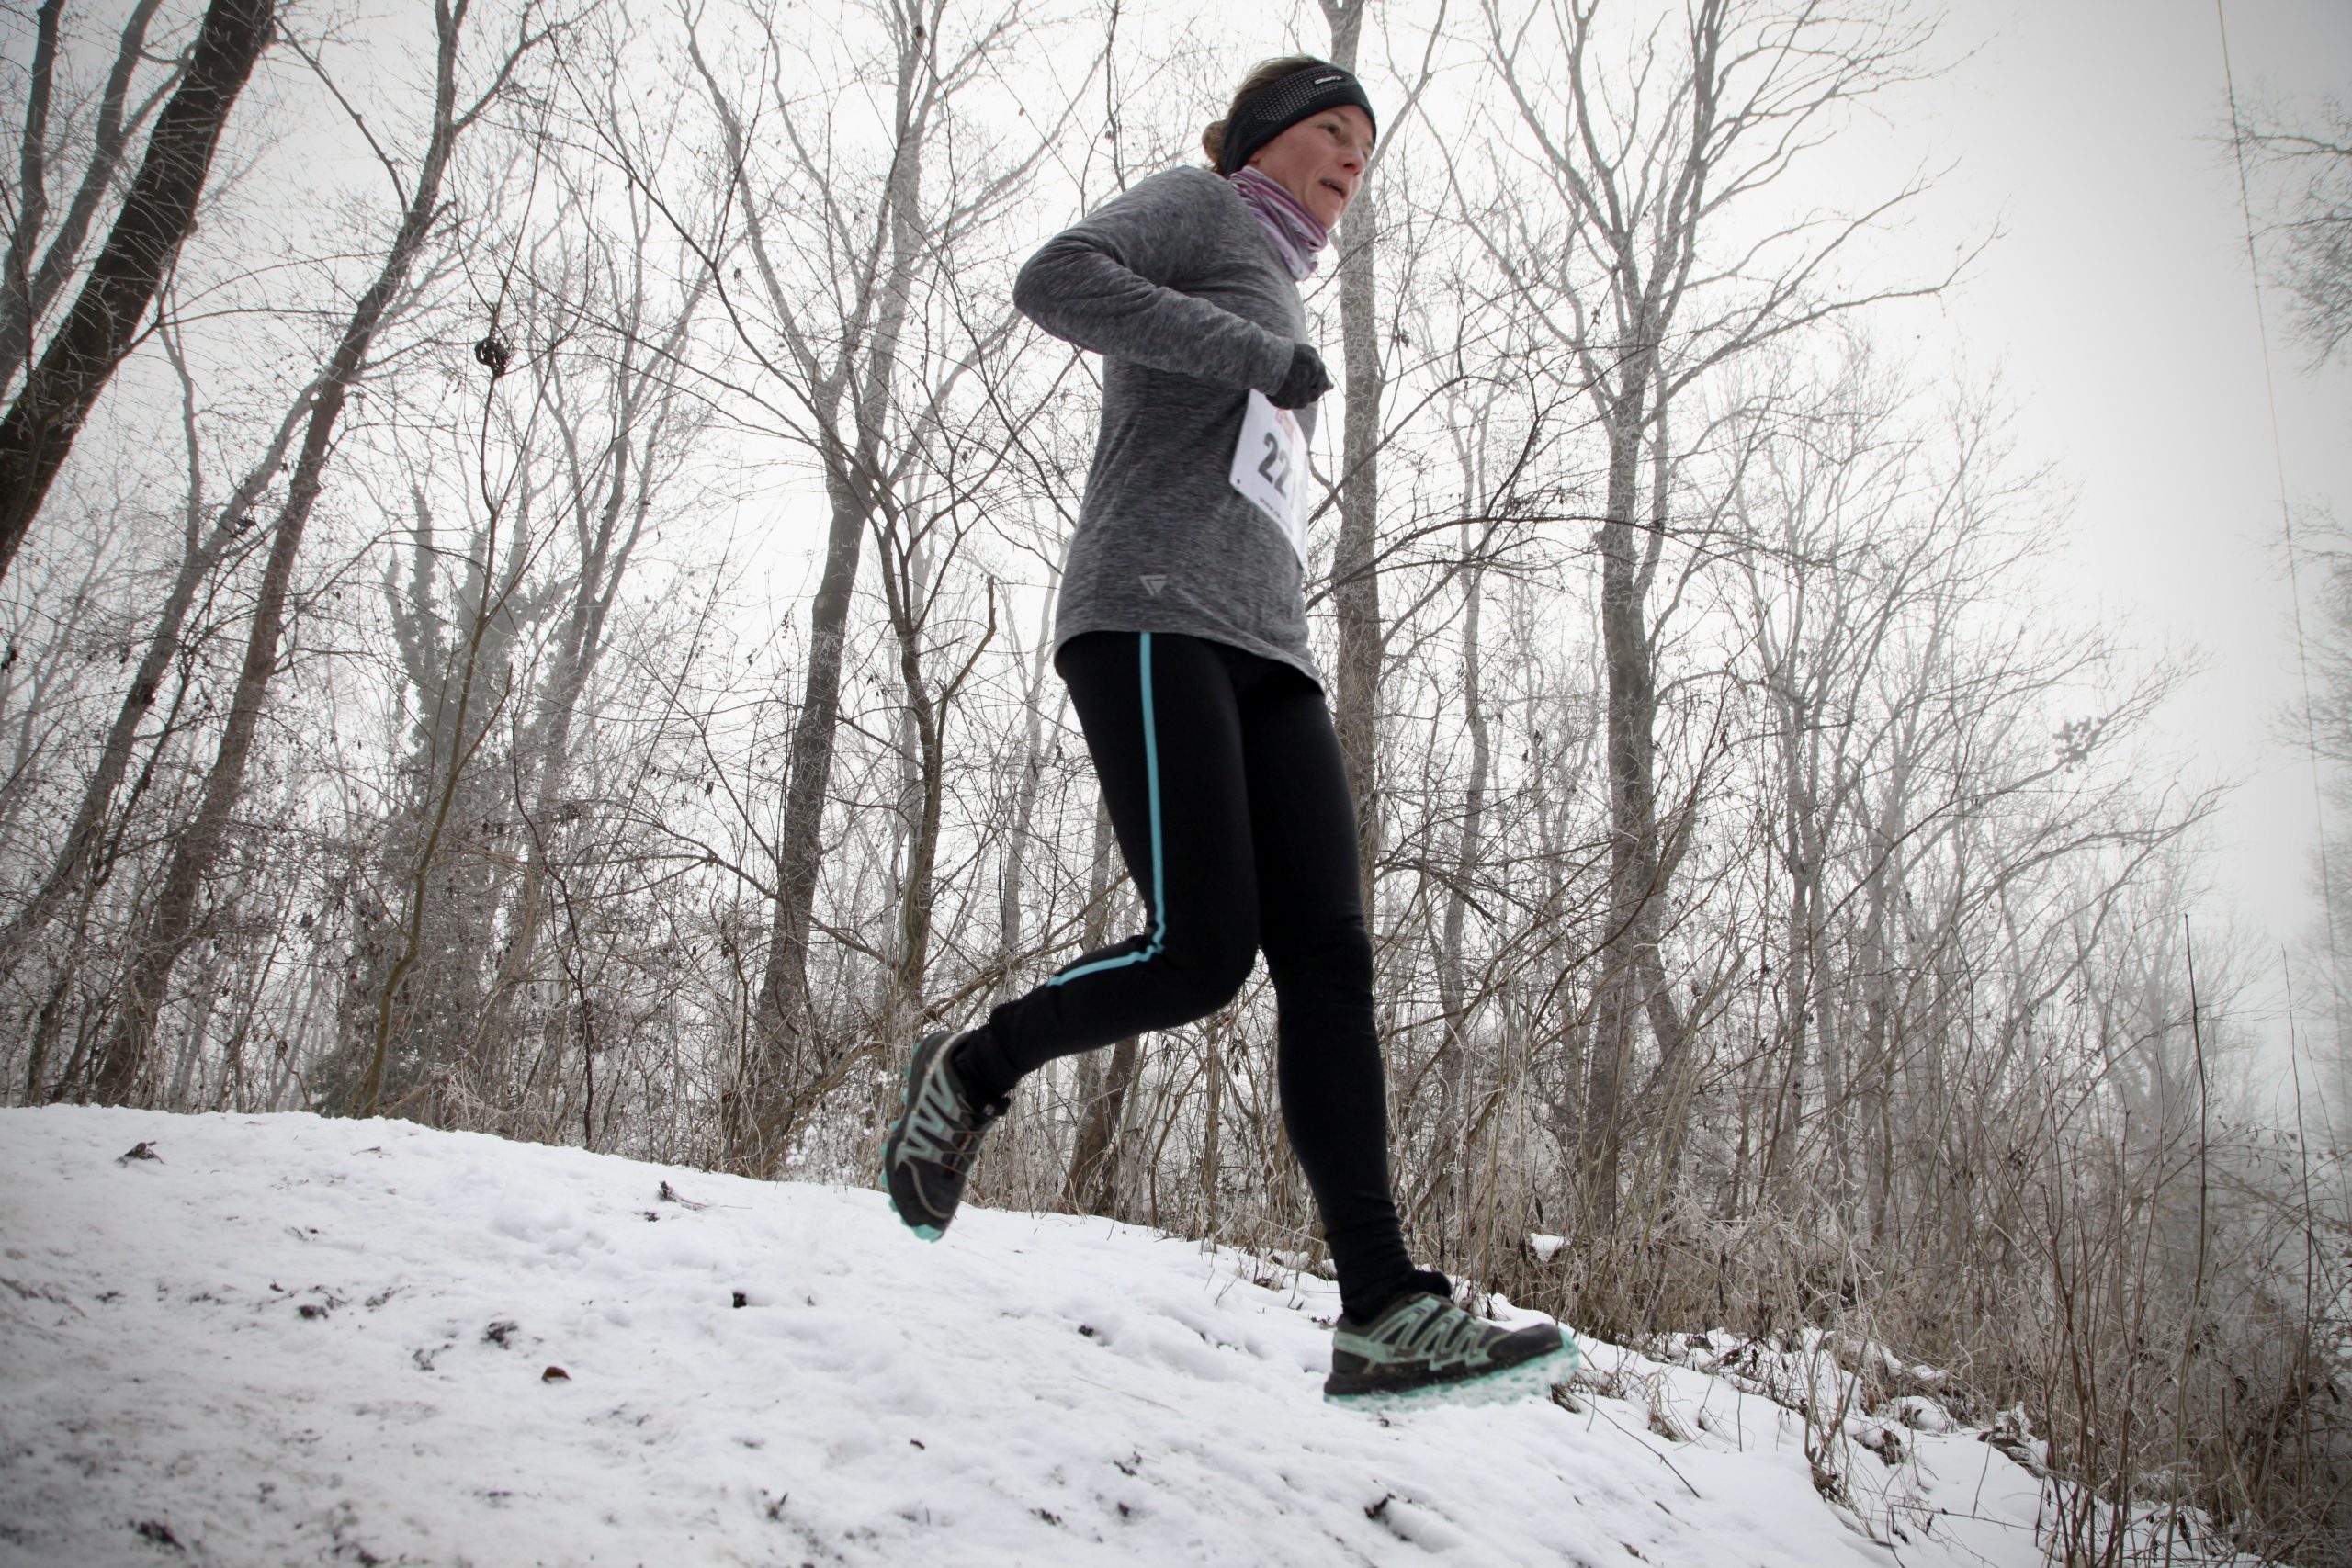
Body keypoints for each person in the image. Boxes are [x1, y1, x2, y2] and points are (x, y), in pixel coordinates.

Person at [881, 57, 1569, 1402]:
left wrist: (1274, 358)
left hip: (1270, 648)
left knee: (1331, 955)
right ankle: (970, 1067)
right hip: (1149, 609)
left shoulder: (1287, 276)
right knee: (1201, 954)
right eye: (1331, 130)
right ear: (1264, 140)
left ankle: (1382, 1308)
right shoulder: (1204, 212)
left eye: (1366, 147)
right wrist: (1257, 353)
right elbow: (1055, 278)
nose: (1351, 159)